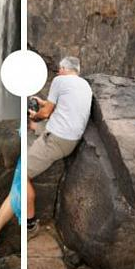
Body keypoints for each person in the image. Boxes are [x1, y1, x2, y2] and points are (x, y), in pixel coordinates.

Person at [26, 56, 92, 237]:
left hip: (56, 140)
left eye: (58, 69)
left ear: (63, 68)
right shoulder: (84, 85)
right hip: (71, 139)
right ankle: (33, 126)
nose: (58, 72)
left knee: (21, 175)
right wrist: (40, 104)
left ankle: (29, 226)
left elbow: (46, 113)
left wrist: (35, 115)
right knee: (33, 127)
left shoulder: (59, 80)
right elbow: (59, 107)